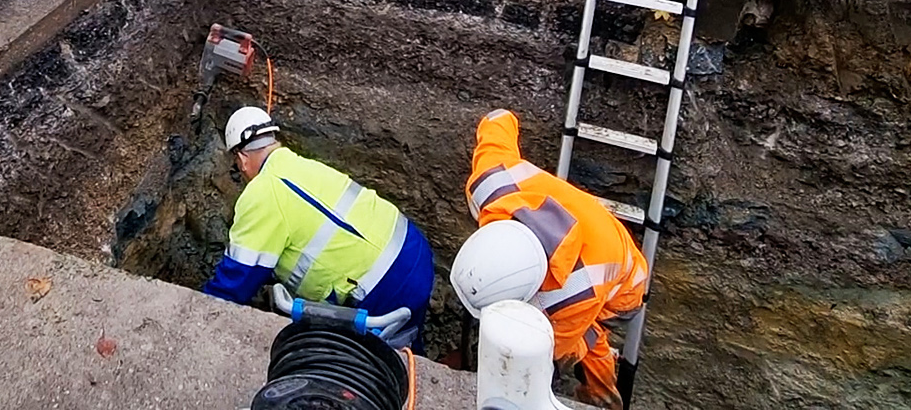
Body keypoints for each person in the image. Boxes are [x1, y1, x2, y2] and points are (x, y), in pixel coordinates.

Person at [450, 109, 649, 410]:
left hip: (622, 287)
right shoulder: (491, 187)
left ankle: (602, 397)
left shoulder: (571, 295)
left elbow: (553, 349)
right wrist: (500, 115)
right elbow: (497, 123)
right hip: (591, 232)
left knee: (589, 342)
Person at [203, 106, 434, 351]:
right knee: (408, 339)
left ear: (241, 158)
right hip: (414, 251)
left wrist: (200, 309)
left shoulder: (262, 192)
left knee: (379, 361)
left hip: (385, 285)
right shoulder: (303, 167)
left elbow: (235, 282)